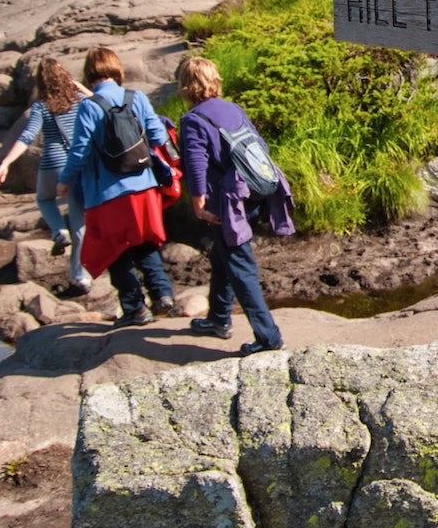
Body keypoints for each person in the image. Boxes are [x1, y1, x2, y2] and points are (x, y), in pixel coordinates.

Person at [176, 55, 293, 356]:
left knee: (240, 266)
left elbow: (195, 162)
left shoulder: (193, 119)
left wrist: (198, 202)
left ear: (186, 86)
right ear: (214, 80)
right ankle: (218, 318)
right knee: (222, 256)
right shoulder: (233, 108)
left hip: (224, 205)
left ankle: (268, 337)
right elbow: (261, 148)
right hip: (252, 196)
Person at [59, 46, 176, 328]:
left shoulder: (89, 106)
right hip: (144, 186)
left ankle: (135, 310)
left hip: (107, 193)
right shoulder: (137, 98)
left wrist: (64, 180)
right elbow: (159, 135)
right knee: (146, 242)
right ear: (117, 69)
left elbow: (79, 152)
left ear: (89, 74)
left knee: (116, 250)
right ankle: (163, 293)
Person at [0, 58, 91, 295]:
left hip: (53, 164)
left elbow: (27, 136)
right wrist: (81, 87)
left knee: (45, 200)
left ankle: (58, 231)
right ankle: (81, 277)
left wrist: (6, 161)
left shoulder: (41, 106)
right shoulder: (80, 101)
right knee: (80, 222)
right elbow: (103, 102)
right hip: (78, 165)